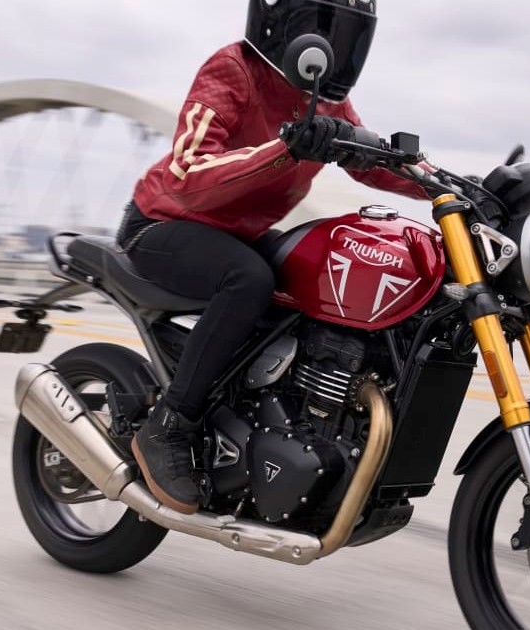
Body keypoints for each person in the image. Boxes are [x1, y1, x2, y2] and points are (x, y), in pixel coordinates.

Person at [120, 0, 428, 515]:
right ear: (281, 23)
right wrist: (287, 148)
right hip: (164, 224)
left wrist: (452, 186)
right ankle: (170, 425)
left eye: (347, 34)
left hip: (238, 234)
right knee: (248, 280)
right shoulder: (234, 69)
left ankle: (263, 420)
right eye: (323, 29)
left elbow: (370, 160)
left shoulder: (326, 100)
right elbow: (187, 173)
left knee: (309, 272)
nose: (334, 45)